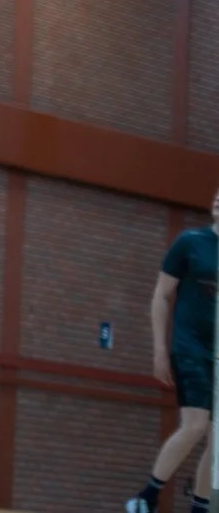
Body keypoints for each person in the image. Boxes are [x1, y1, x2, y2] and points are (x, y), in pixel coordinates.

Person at [128, 187, 219, 513]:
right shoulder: (190, 242)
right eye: (217, 195)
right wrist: (159, 350)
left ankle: (199, 507)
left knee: (218, 442)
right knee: (195, 426)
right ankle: (147, 497)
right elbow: (162, 295)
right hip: (190, 348)